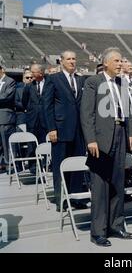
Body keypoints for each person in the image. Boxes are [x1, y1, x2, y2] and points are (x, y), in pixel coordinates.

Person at [81, 47, 132, 247]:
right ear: (105, 63)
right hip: (101, 139)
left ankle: (116, 226)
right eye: (116, 61)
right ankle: (98, 231)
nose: (120, 64)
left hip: (121, 135)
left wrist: (131, 133)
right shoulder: (93, 82)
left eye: (121, 61)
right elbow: (86, 113)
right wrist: (90, 140)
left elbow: (128, 112)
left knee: (117, 184)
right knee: (100, 186)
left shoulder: (122, 83)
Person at [43, 50, 87, 212]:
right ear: (61, 61)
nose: (72, 61)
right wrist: (51, 128)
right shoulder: (53, 79)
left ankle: (76, 197)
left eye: (74, 59)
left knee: (77, 165)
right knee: (60, 165)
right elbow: (46, 106)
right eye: (68, 59)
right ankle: (61, 198)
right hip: (60, 130)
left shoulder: (81, 80)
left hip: (79, 131)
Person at [0, 66, 16, 173]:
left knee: (6, 142)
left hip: (5, 117)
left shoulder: (10, 81)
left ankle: (10, 165)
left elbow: (6, 97)